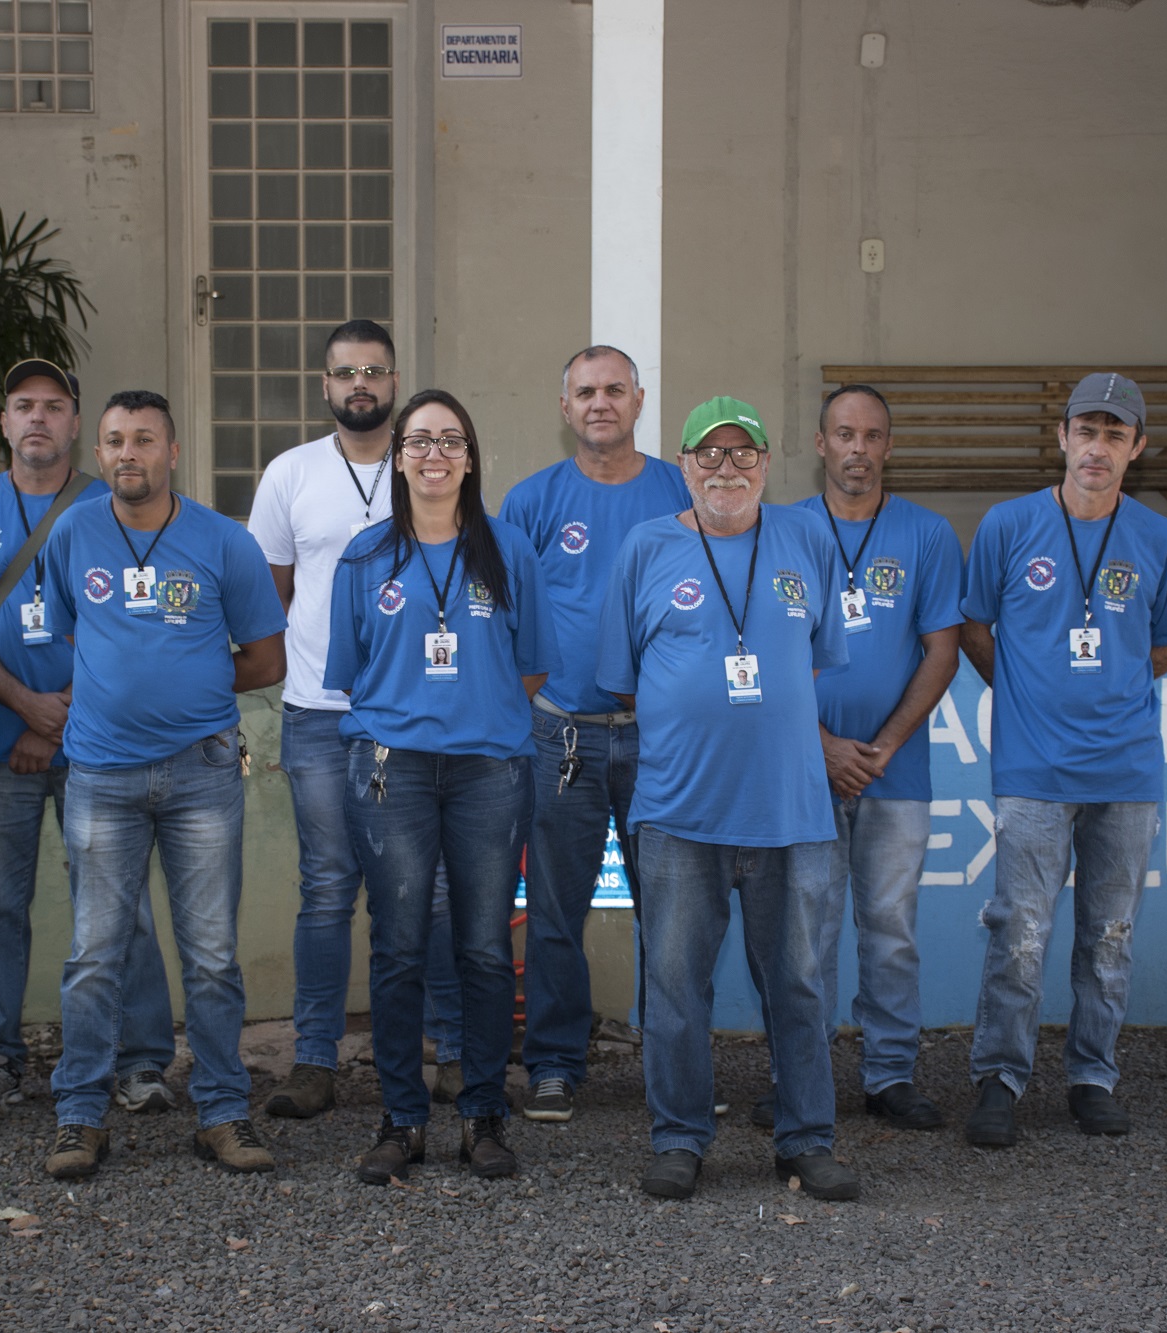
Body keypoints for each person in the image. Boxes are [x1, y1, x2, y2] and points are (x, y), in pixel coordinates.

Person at [597, 396, 855, 1202]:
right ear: (684, 464)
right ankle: (678, 1136)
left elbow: (813, 661)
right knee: (674, 985)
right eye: (709, 455)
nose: (726, 469)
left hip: (792, 812)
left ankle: (806, 1137)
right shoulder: (647, 547)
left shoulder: (808, 538)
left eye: (742, 454)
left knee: (800, 984)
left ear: (769, 462)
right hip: (679, 812)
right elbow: (624, 679)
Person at [36, 390, 289, 1179]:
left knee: (211, 955)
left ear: (173, 452)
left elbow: (265, 659)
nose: (126, 454)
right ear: (98, 450)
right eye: (113, 440)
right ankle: (79, 1114)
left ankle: (222, 1110)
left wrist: (190, 691)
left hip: (201, 773)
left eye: (143, 439)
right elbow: (75, 633)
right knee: (92, 954)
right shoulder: (73, 531)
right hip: (100, 773)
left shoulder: (223, 541)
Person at [959, 373, 1167, 1148]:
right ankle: (999, 1076)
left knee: (1110, 935)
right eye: (1086, 431)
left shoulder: (1161, 539)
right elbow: (973, 626)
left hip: (1126, 771)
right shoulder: (1008, 525)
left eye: (1115, 434)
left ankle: (1092, 1074)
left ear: (1136, 448)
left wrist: (1107, 691)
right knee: (1019, 930)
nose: (1098, 447)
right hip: (1032, 770)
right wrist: (1027, 690)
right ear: (1063, 437)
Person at [0, 358, 178, 1116]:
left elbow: (138, 631)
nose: (37, 417)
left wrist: (60, 713)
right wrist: (26, 709)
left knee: (118, 907)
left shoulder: (119, 508)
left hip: (102, 744)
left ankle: (138, 1061)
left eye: (53, 406)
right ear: (4, 423)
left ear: (78, 426)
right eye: (22, 405)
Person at [325, 389, 556, 1185]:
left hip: (490, 769)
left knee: (487, 948)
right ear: (398, 458)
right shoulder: (364, 557)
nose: (434, 454)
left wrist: (474, 718)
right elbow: (352, 676)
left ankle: (483, 1115)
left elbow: (531, 666)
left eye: (450, 440)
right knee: (396, 946)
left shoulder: (510, 550)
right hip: (393, 770)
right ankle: (402, 1119)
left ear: (470, 457)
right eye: (419, 440)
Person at [247, 320, 464, 1121]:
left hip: (415, 719)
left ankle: (451, 1049)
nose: (360, 384)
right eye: (346, 373)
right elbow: (269, 590)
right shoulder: (291, 474)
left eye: (374, 370)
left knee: (432, 891)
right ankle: (314, 1059)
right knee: (328, 889)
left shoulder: (433, 467)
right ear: (325, 386)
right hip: (316, 714)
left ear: (396, 378)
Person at [497, 345, 689, 1124]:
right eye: (586, 391)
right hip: (560, 738)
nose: (600, 402)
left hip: (664, 738)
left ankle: (674, 1068)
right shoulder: (531, 500)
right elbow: (503, 620)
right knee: (553, 911)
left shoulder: (681, 490)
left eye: (615, 389)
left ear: (640, 401)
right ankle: (553, 1063)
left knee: (674, 913)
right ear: (565, 405)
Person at [776, 384, 962, 1135]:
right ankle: (802, 1076)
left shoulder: (927, 534)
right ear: (820, 444)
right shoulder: (782, 529)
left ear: (889, 445)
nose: (858, 448)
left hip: (897, 773)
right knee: (805, 932)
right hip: (800, 770)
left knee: (892, 928)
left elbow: (943, 651)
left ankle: (890, 1074)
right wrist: (820, 747)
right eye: (844, 434)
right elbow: (763, 648)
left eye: (873, 435)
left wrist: (879, 747)